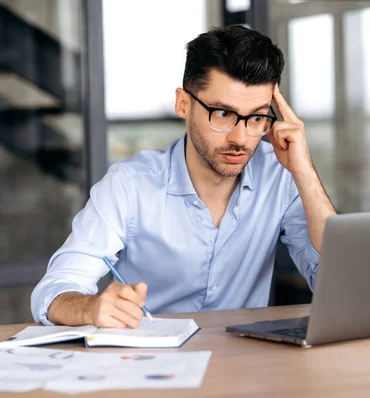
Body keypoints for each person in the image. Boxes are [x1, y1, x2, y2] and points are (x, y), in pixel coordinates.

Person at [31, 24, 336, 328]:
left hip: (246, 363)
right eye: (223, 114)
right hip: (153, 362)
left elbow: (334, 278)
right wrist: (90, 308)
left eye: (257, 117)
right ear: (184, 104)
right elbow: (54, 291)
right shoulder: (129, 185)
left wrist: (304, 170)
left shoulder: (280, 177)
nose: (241, 138)